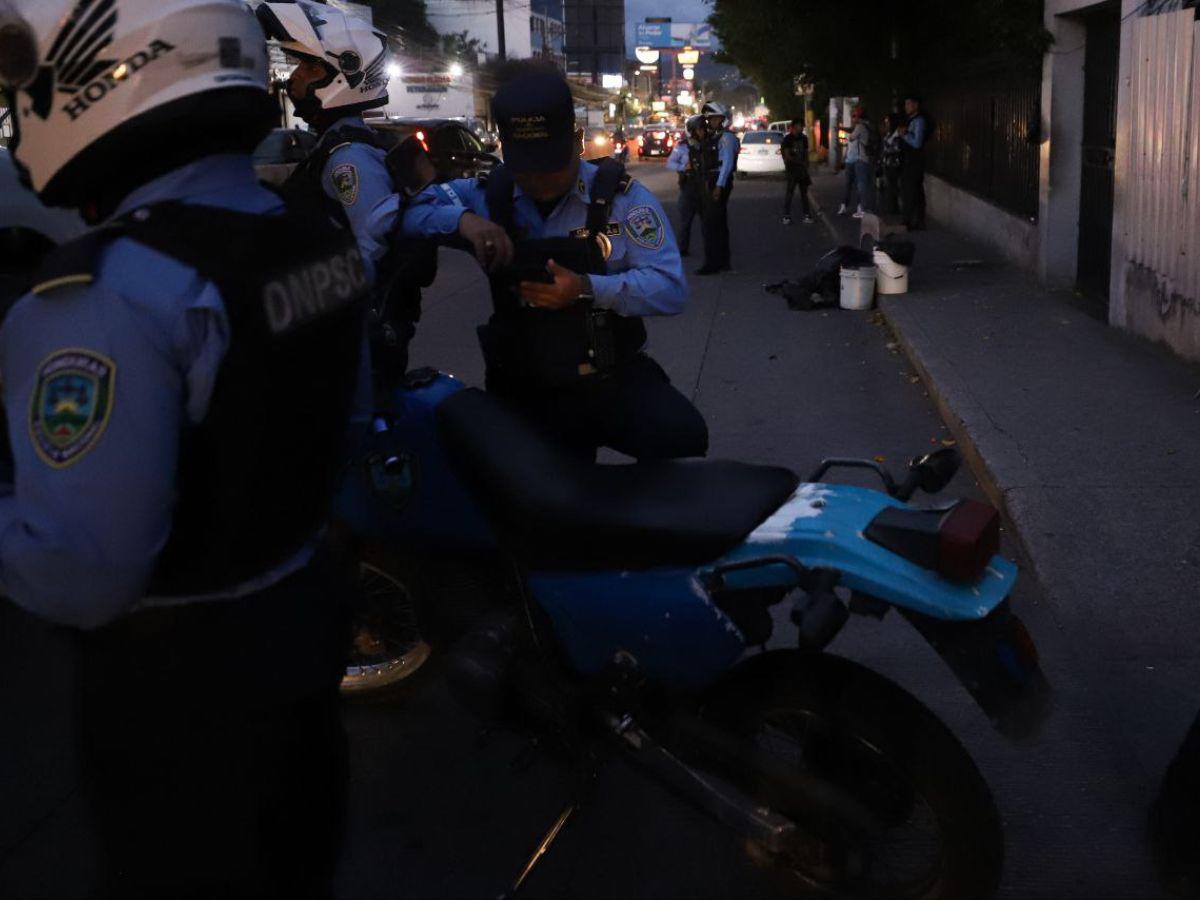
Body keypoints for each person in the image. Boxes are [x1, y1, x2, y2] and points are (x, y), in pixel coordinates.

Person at [0, 0, 373, 897]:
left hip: (181, 696)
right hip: (298, 642)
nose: (21, 113)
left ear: (108, 78)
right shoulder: (310, 235)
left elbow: (81, 573)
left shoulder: (108, 293)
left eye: (33, 86)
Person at [402, 66, 708, 462]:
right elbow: (405, 211)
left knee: (683, 435)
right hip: (527, 390)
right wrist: (463, 222)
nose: (540, 182)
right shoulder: (484, 195)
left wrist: (586, 288)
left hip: (612, 378)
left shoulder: (623, 200)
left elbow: (670, 288)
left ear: (577, 142)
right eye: (526, 170)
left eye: (551, 167)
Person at [258, 0, 435, 385]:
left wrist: (296, 304)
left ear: (342, 77)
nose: (294, 81)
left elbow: (373, 251)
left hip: (353, 346)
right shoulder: (332, 147)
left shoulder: (348, 158)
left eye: (307, 68)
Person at [696, 100, 739, 275]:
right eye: (711, 119)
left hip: (718, 182)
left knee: (712, 225)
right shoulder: (714, 137)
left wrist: (719, 186)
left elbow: (727, 164)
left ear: (723, 119)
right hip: (711, 180)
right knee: (717, 224)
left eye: (715, 118)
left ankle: (712, 264)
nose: (712, 122)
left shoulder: (726, 138)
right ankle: (722, 262)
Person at [665, 114, 708, 256]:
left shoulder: (709, 144)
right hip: (689, 187)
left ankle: (710, 250)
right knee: (685, 222)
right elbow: (670, 163)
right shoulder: (682, 146)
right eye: (700, 129)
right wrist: (684, 166)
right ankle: (682, 250)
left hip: (705, 187)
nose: (702, 132)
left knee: (708, 222)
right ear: (692, 130)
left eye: (704, 129)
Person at [838, 105, 876, 219]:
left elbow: (851, 137)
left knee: (861, 185)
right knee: (864, 184)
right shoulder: (868, 125)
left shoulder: (859, 126)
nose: (852, 118)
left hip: (860, 158)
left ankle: (863, 209)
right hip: (866, 158)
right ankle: (864, 207)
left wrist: (845, 132)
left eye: (854, 116)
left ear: (858, 117)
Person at [899, 93, 929, 229]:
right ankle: (912, 220)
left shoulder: (919, 121)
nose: (906, 107)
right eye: (905, 104)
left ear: (916, 105)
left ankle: (913, 221)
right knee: (910, 190)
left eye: (908, 104)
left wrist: (904, 135)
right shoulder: (910, 120)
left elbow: (917, 143)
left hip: (915, 161)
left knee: (912, 191)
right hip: (908, 160)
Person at [780, 119, 813, 225]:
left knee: (804, 193)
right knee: (790, 193)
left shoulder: (804, 138)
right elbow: (787, 156)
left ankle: (807, 215)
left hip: (802, 170)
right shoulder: (787, 139)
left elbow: (806, 153)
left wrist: (806, 164)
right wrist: (800, 162)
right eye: (800, 126)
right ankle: (786, 216)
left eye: (802, 126)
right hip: (792, 170)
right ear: (794, 127)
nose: (802, 128)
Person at [881, 112, 905, 216]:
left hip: (895, 163)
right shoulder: (889, 133)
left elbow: (895, 148)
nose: (886, 124)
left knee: (894, 186)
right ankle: (892, 207)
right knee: (889, 186)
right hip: (888, 163)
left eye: (888, 122)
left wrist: (887, 149)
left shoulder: (897, 134)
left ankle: (895, 208)